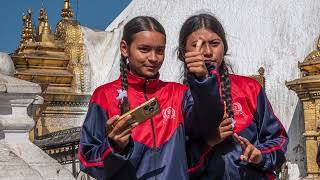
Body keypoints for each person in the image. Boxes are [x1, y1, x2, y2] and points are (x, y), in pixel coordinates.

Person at [78, 16, 223, 180]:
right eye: (144, 49)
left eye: (160, 50)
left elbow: (209, 123)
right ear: (125, 49)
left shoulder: (178, 94)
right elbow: (87, 159)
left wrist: (202, 81)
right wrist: (115, 147)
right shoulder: (104, 96)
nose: (153, 58)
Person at [178, 13, 289, 180]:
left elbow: (278, 138)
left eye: (214, 44)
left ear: (225, 47)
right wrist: (209, 142)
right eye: (197, 45)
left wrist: (260, 155)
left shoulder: (249, 88)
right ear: (183, 53)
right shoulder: (178, 98)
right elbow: (175, 162)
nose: (207, 52)